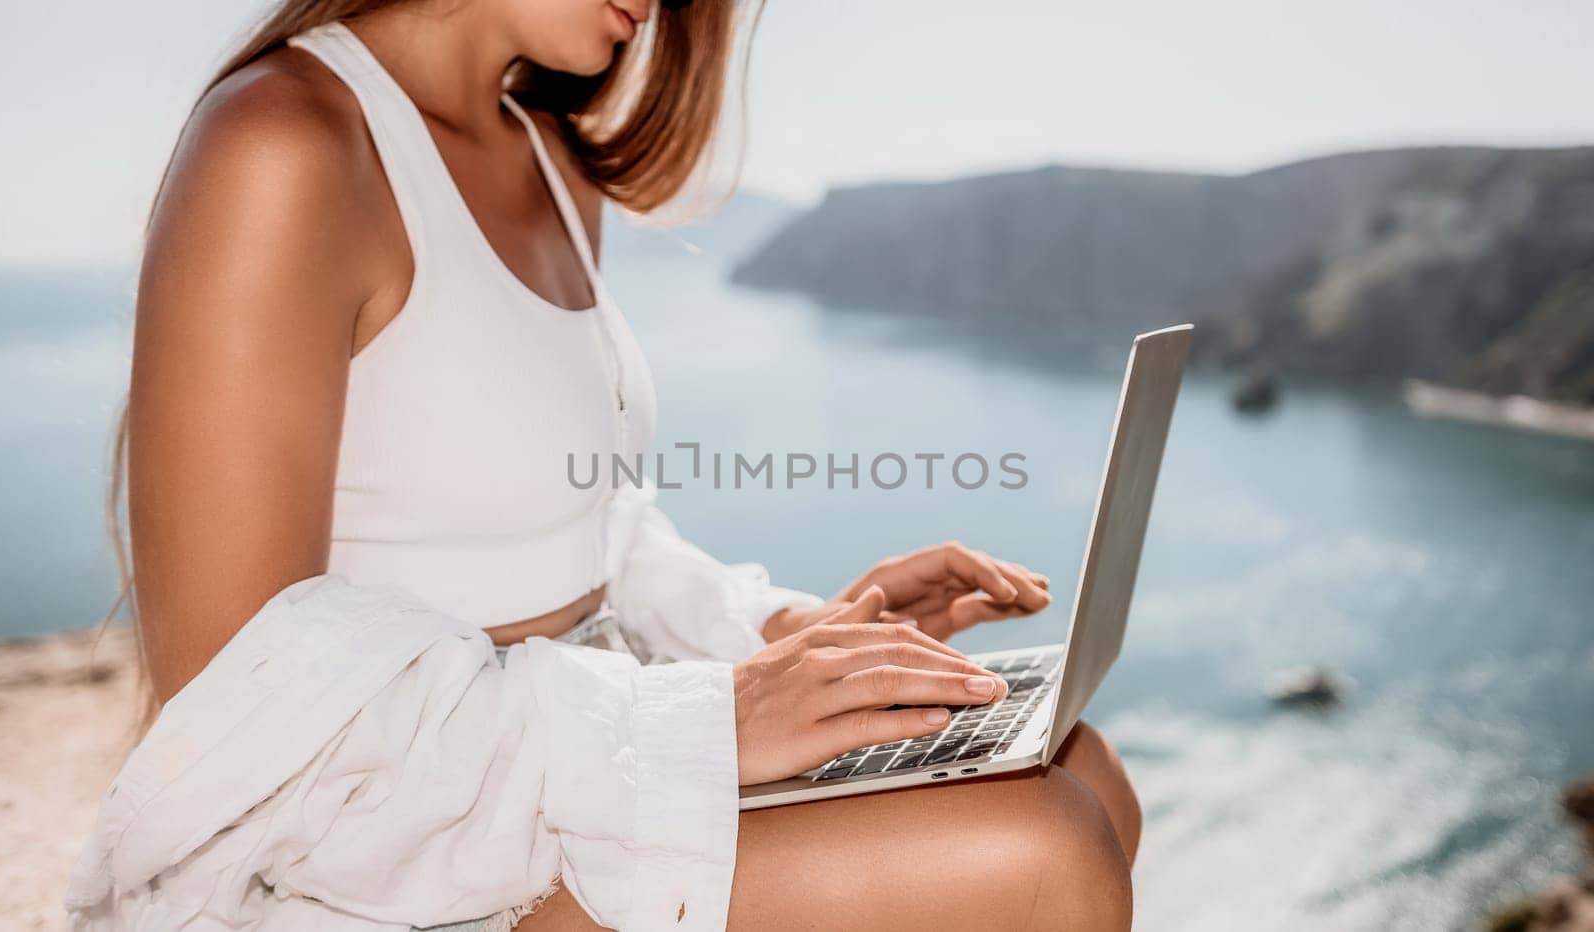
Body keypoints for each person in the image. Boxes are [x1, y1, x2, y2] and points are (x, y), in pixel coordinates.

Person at [72, 1, 1141, 928]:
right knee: (1043, 849)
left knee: (1085, 768)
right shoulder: (284, 142)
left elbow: (589, 527)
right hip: (378, 860)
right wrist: (702, 718)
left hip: (570, 769)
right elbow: (236, 711)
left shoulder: (547, 159)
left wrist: (789, 633)